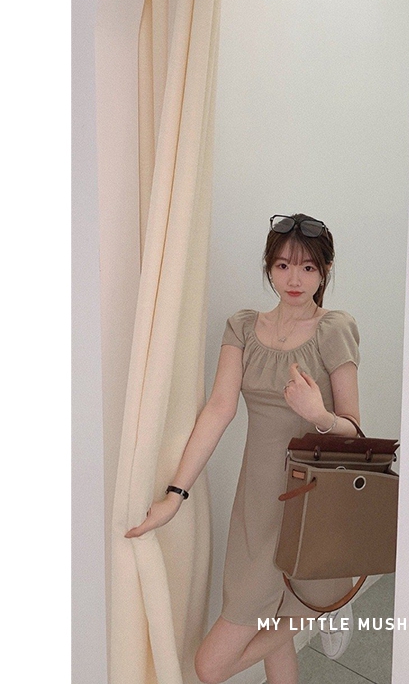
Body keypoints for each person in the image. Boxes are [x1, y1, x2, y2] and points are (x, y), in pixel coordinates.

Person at [126, 213, 362, 684]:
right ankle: (319, 610)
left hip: (314, 506)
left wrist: (318, 414)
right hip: (258, 506)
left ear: (326, 270)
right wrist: (175, 495)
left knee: (210, 665)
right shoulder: (242, 327)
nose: (294, 280)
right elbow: (218, 410)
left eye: (308, 268)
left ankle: (322, 607)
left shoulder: (334, 328)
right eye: (282, 266)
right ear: (268, 267)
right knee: (255, 636)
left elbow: (355, 433)